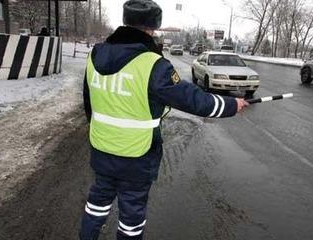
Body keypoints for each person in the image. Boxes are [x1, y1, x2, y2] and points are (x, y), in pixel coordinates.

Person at [79, 0, 249, 239]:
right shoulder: (153, 64)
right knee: (131, 216)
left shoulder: (95, 54)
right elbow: (192, 99)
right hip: (136, 155)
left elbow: (89, 103)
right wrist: (231, 105)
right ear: (152, 29)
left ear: (126, 21)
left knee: (96, 204)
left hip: (101, 148)